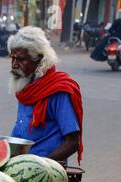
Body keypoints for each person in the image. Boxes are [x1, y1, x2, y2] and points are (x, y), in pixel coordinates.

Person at [8, 26, 83, 163]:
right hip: (20, 165)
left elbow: (73, 142)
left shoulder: (58, 90)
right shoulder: (26, 88)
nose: (14, 65)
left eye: (21, 59)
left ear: (39, 60)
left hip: (48, 170)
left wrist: (41, 166)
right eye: (12, 58)